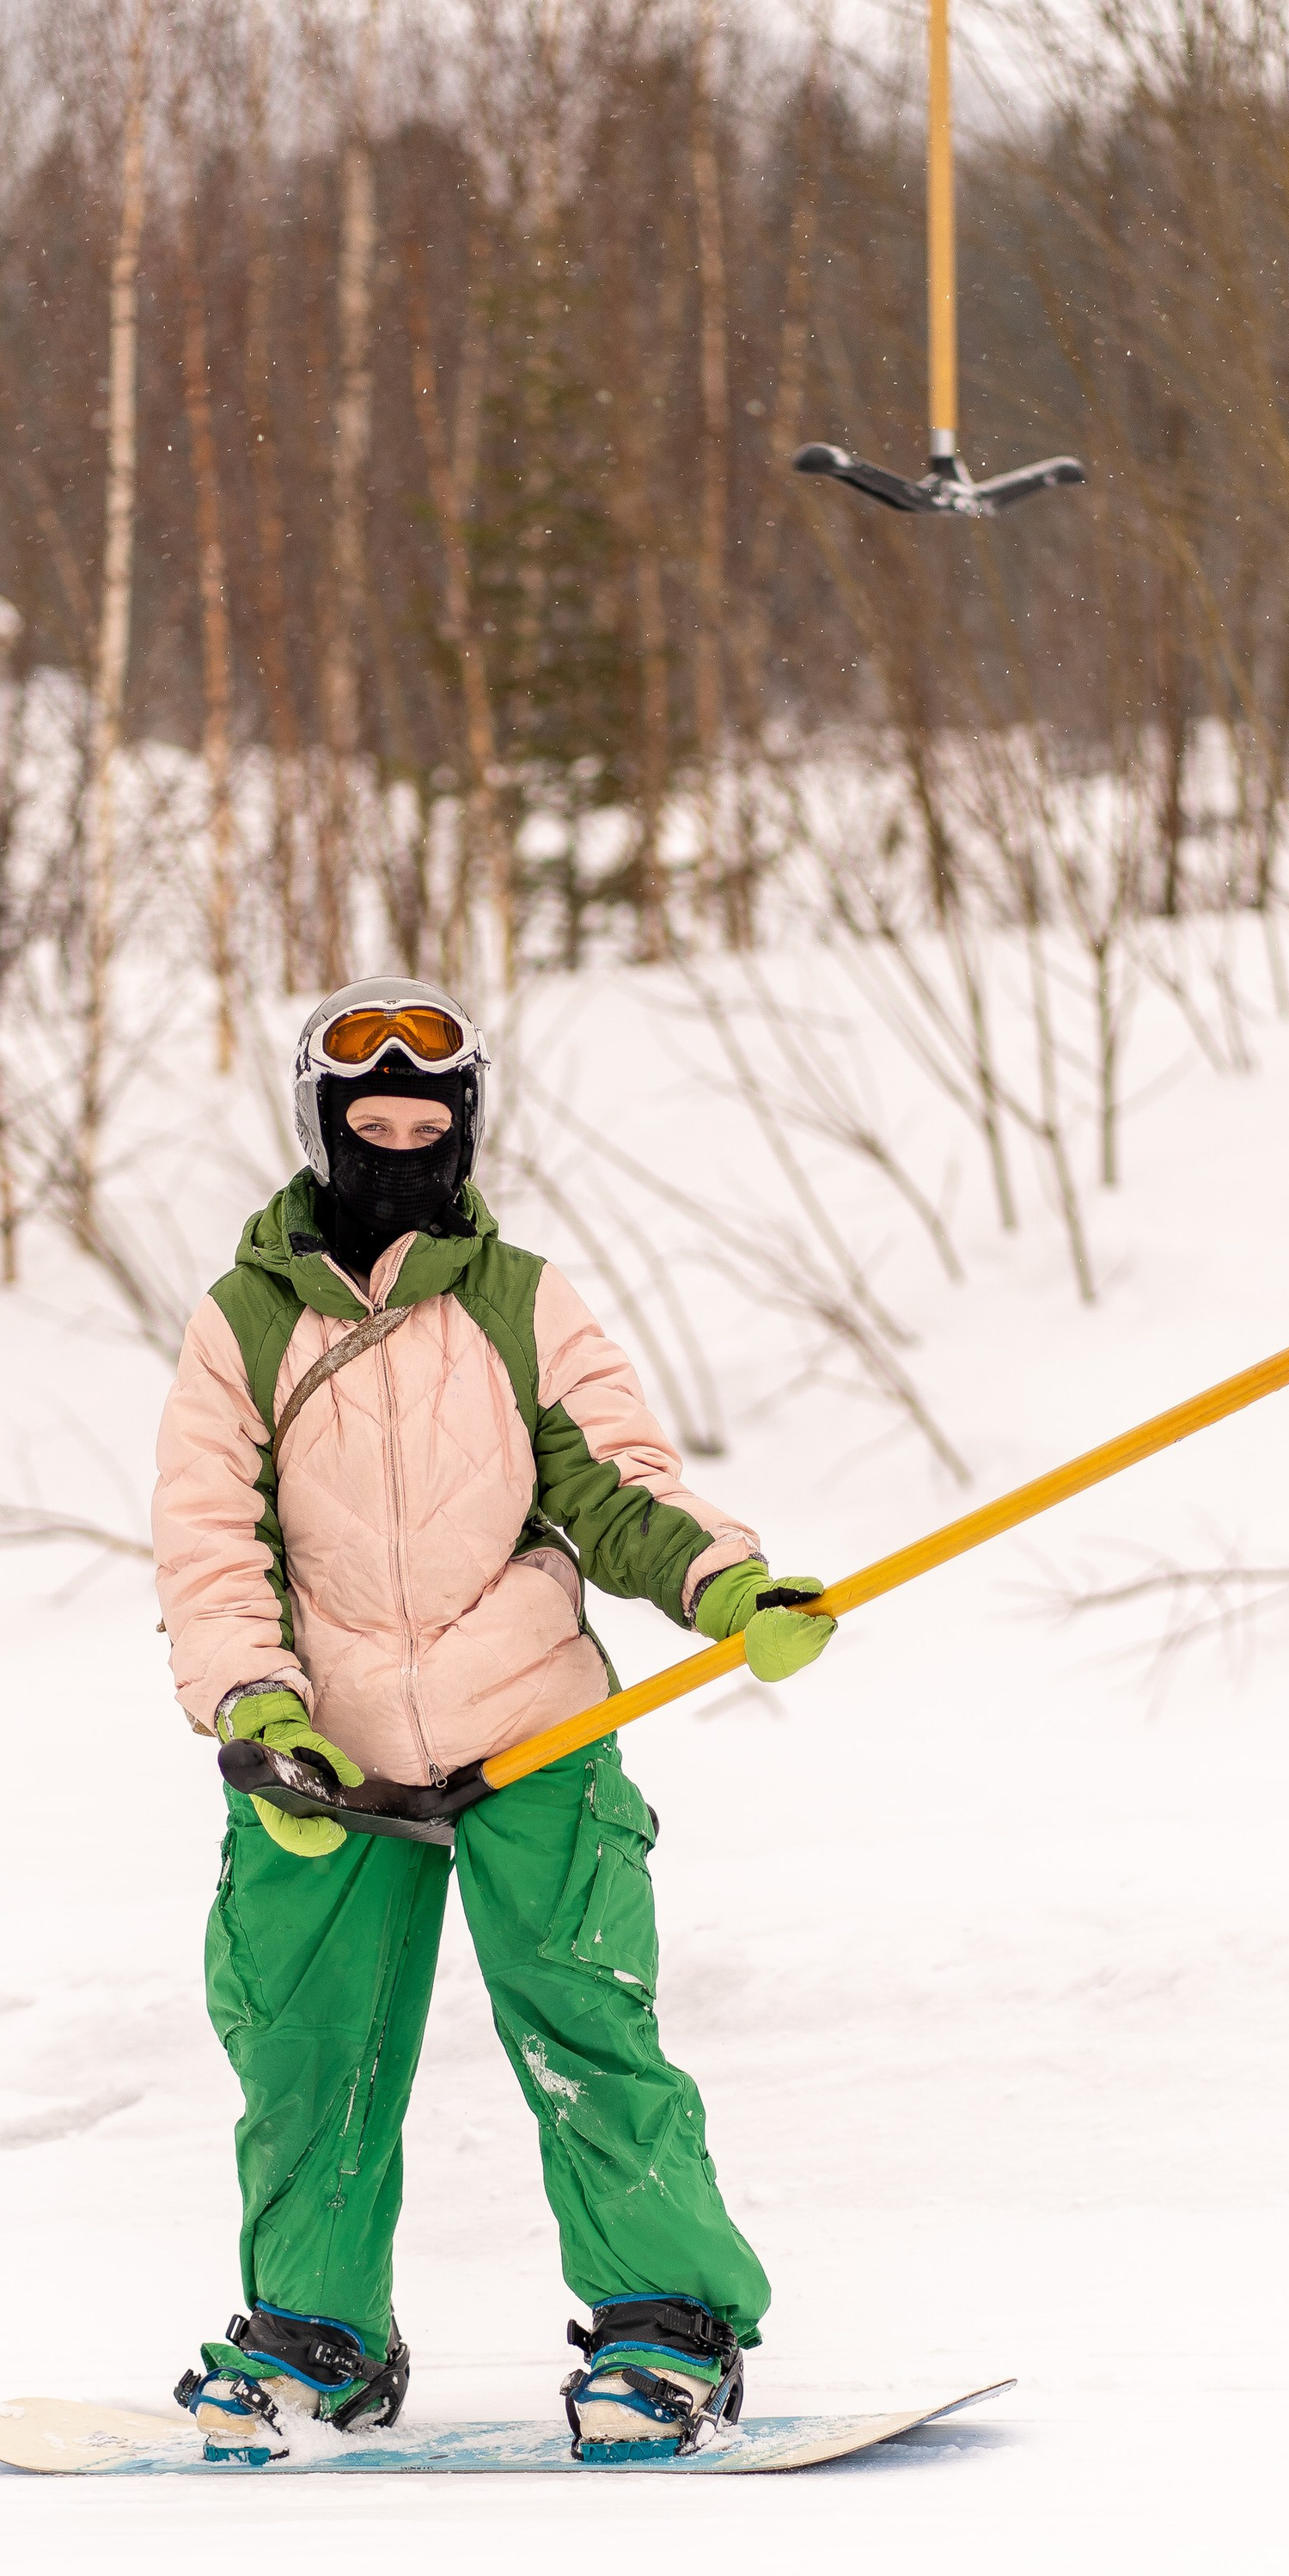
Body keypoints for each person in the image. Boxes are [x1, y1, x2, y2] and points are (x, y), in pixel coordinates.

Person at [150, 977, 835, 2463]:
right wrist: (260, 1707)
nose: (399, 1155)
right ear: (319, 1135)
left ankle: (667, 2321)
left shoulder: (521, 1300)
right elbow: (212, 1538)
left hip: (526, 1726)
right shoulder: (245, 1320)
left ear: (464, 1139)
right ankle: (316, 2334)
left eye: (427, 1127)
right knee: (305, 2049)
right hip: (319, 1761)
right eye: (369, 1128)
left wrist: (723, 1583)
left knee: (586, 2028)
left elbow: (613, 1479)